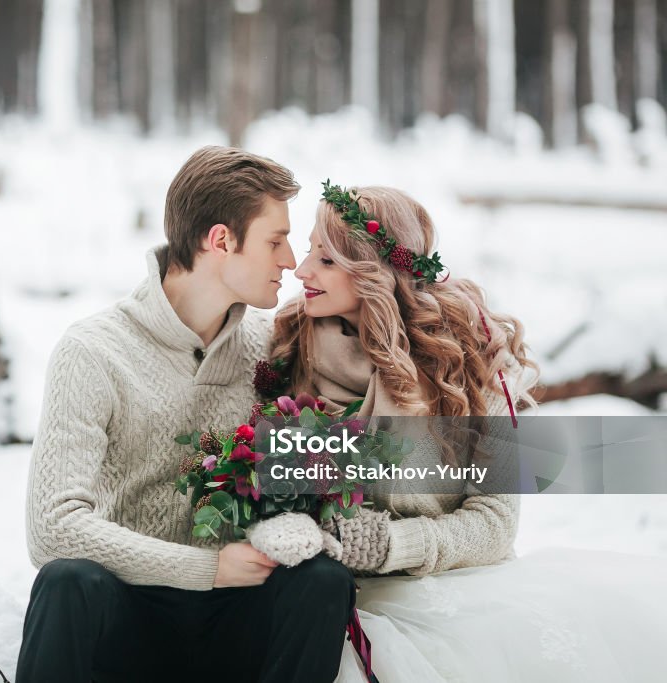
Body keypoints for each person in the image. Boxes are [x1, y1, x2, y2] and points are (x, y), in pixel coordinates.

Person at [254, 181, 666, 681]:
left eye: (326, 259)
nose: (302, 271)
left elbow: (496, 522)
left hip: (454, 594)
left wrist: (393, 544)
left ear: (373, 274)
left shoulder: (469, 360)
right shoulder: (288, 348)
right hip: (328, 599)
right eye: (308, 253)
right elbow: (268, 481)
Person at [16, 147, 356, 683]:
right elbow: (51, 529)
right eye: (275, 241)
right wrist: (207, 569)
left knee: (322, 581)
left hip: (236, 619)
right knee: (67, 582)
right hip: (130, 617)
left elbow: (367, 437)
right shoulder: (93, 351)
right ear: (220, 240)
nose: (289, 260)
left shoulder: (273, 347)